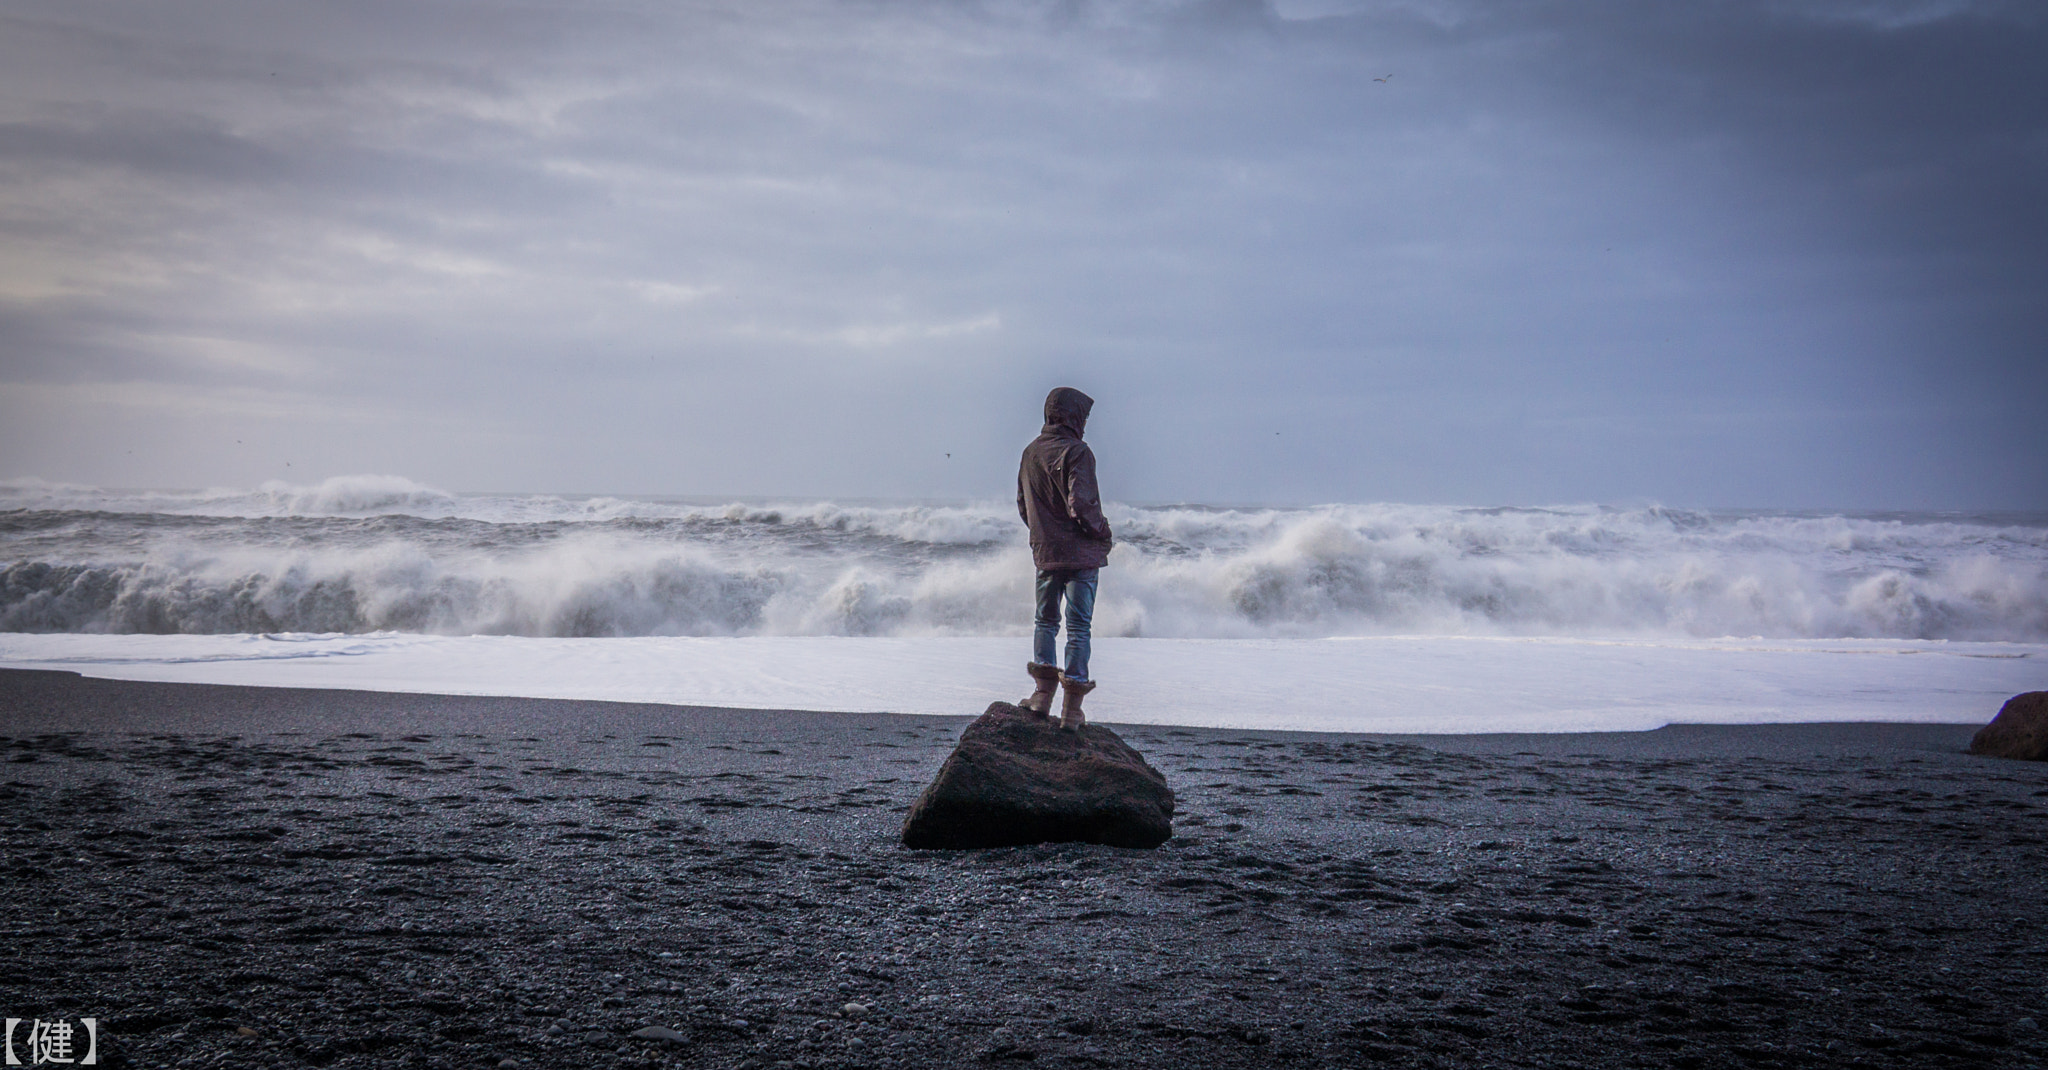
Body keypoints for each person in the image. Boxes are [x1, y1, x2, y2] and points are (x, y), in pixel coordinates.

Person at [1016, 386, 1113, 731]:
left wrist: (1043, 534)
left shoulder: (1030, 453)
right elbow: (1082, 506)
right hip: (1081, 556)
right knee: (1078, 627)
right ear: (1070, 416)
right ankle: (1071, 711)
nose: (1084, 424)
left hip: (1046, 554)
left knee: (1045, 621)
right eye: (1082, 416)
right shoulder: (1078, 452)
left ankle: (1042, 696)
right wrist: (1102, 532)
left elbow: (1023, 507)